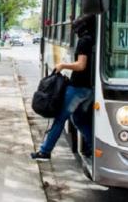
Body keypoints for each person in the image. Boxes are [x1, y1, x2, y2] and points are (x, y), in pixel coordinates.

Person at [31, 14, 95, 161]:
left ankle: (45, 152)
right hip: (89, 89)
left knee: (60, 119)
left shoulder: (84, 41)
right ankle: (93, 147)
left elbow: (81, 65)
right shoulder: (95, 39)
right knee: (79, 119)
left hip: (78, 88)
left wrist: (62, 65)